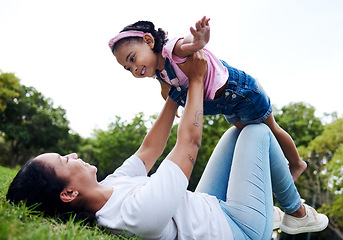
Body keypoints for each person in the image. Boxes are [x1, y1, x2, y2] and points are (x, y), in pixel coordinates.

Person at [7, 51, 328, 240]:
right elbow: (189, 143)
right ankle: (296, 213)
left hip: (210, 207)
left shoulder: (112, 185)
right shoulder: (131, 215)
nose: (73, 155)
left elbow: (149, 150)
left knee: (234, 134)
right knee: (256, 131)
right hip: (237, 231)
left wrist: (174, 93)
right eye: (65, 160)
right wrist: (198, 80)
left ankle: (275, 210)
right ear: (68, 194)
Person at [108, 16, 307, 181]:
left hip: (242, 91)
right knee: (251, 137)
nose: (133, 68)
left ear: (149, 41)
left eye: (132, 59)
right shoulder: (160, 74)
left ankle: (297, 163)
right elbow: (166, 89)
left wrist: (198, 40)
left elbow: (188, 45)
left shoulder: (170, 49)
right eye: (128, 68)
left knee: (272, 129)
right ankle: (273, 167)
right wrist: (169, 98)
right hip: (226, 106)